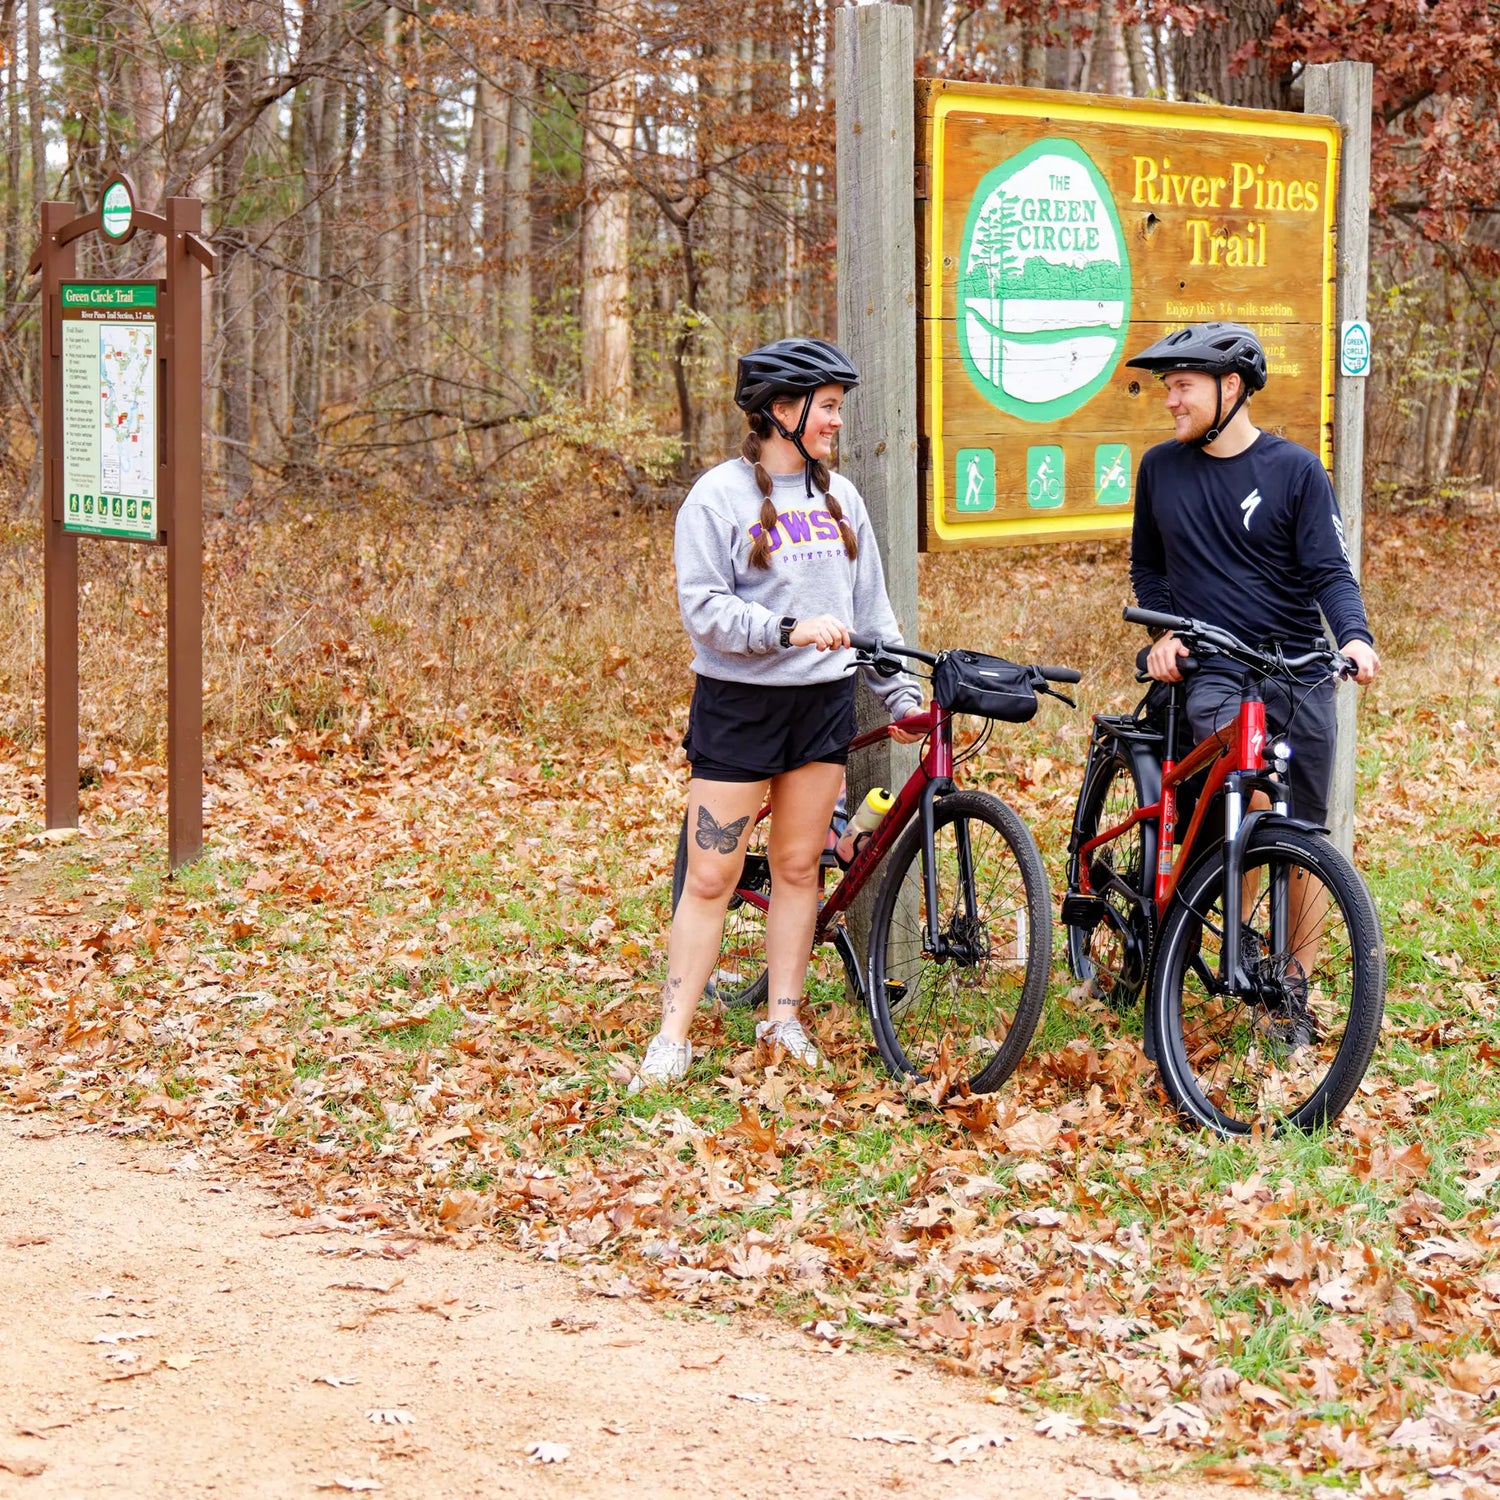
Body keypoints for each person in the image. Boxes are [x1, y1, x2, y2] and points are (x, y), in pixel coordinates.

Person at [628, 337, 924, 1093]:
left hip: (818, 709)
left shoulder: (842, 499)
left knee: (798, 869)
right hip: (739, 709)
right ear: (782, 411)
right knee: (711, 875)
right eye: (826, 408)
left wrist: (903, 698)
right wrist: (784, 632)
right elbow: (704, 612)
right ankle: (672, 1037)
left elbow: (872, 614)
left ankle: (783, 1020)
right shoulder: (717, 498)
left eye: (837, 410)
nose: (835, 423)